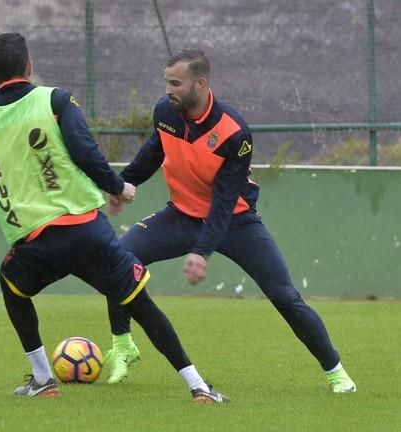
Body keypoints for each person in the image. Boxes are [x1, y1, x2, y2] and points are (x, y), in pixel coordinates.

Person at [0, 33, 229, 403]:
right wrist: (117, 186)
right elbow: (84, 150)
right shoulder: (55, 99)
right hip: (87, 231)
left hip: (34, 243)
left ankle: (43, 379)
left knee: (13, 288)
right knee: (140, 304)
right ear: (30, 66)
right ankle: (198, 386)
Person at [103, 48, 357, 394]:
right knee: (117, 259)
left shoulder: (234, 133)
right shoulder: (166, 111)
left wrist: (201, 252)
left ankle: (336, 372)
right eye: (166, 82)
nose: (168, 90)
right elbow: (153, 152)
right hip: (181, 215)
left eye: (176, 83)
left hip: (235, 222)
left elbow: (224, 202)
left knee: (284, 295)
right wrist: (122, 185)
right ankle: (122, 346)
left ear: (201, 84)